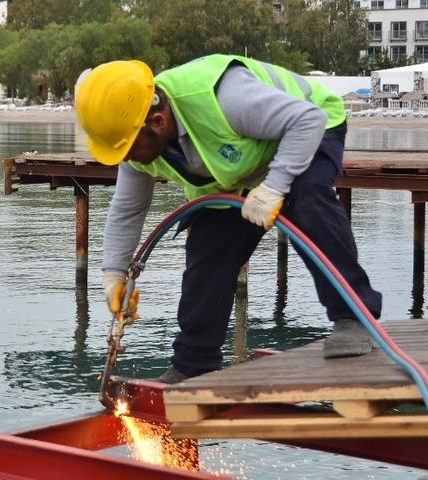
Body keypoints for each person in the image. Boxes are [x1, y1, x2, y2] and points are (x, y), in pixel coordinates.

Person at [75, 54, 382, 384]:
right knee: (209, 247)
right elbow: (127, 209)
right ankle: (193, 364)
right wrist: (114, 275)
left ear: (158, 123)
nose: (125, 158)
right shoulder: (135, 135)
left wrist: (275, 186)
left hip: (306, 128)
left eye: (127, 149)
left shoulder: (224, 97)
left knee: (308, 200)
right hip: (239, 169)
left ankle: (354, 319)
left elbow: (307, 120)